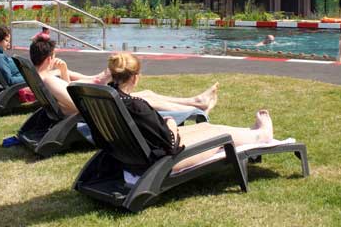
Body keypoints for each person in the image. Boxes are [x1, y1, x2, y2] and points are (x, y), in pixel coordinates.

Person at [107, 52, 275, 172]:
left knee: (207, 128)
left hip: (133, 152)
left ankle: (250, 132)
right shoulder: (136, 106)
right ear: (135, 77)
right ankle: (262, 136)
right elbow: (171, 144)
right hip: (159, 160)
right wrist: (171, 122)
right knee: (219, 134)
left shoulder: (109, 99)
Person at [30, 36, 219, 118]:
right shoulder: (49, 79)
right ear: (49, 58)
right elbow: (75, 104)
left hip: (95, 105)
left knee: (147, 93)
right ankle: (197, 110)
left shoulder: (43, 76)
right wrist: (97, 87)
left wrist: (69, 75)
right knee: (144, 98)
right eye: (54, 55)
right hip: (97, 113)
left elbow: (71, 95)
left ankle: (196, 102)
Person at [0, 25, 108, 87]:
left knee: (60, 71)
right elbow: (10, 81)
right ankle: (94, 80)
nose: (8, 44)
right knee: (60, 72)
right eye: (7, 41)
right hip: (32, 77)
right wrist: (32, 76)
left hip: (31, 74)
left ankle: (92, 79)